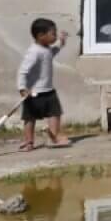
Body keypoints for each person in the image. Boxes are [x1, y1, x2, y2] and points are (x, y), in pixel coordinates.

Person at [17, 18, 72, 150]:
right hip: (33, 92)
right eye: (53, 34)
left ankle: (53, 137)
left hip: (48, 90)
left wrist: (61, 43)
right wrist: (22, 88)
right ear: (41, 36)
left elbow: (51, 53)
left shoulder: (46, 48)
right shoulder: (34, 52)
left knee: (55, 113)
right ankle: (29, 141)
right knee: (30, 118)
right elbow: (23, 71)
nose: (55, 36)